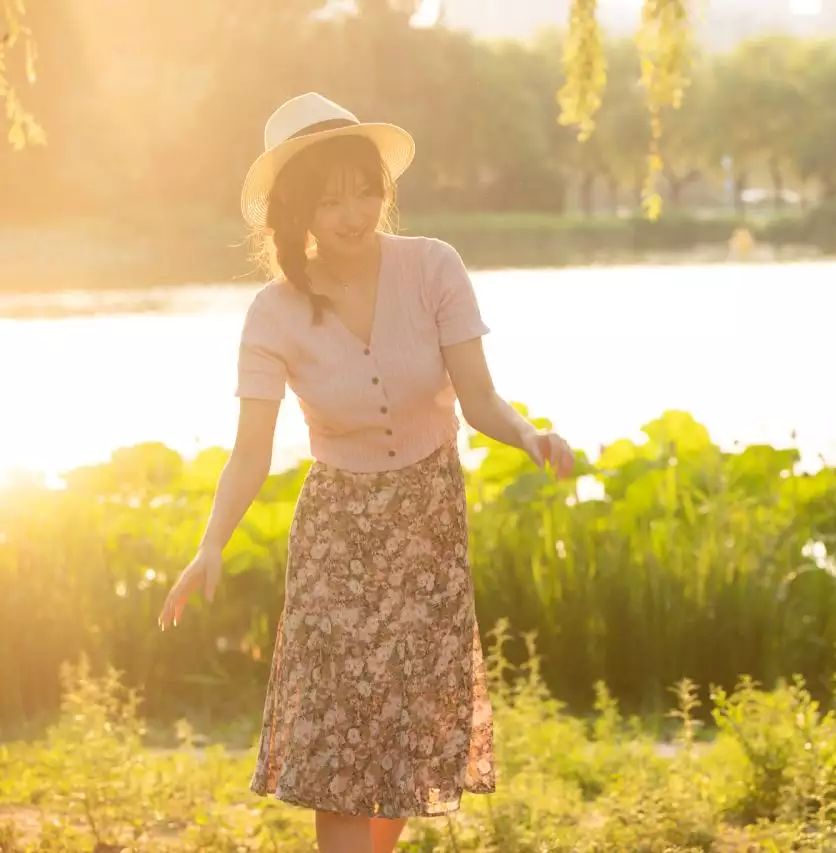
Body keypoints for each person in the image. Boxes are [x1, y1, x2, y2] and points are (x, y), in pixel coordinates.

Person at [158, 92, 575, 853]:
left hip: (426, 520)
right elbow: (251, 448)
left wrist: (528, 435)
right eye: (329, 199)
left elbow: (479, 397)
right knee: (340, 730)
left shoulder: (433, 265)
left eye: (365, 191)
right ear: (295, 211)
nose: (353, 212)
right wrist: (210, 542)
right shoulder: (273, 311)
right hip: (337, 535)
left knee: (410, 724)